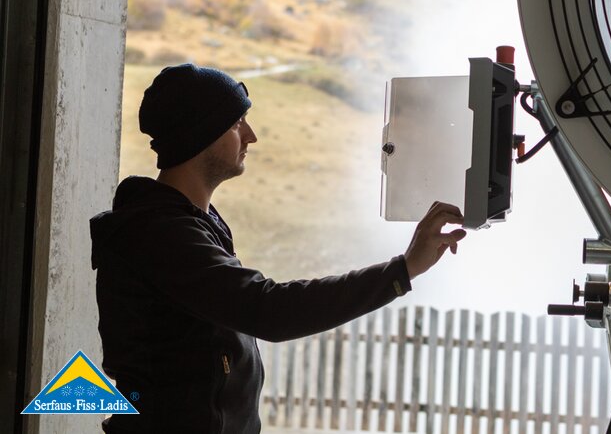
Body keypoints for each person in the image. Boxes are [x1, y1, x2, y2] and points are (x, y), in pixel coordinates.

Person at [89, 64, 467, 434]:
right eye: (236, 124)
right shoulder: (160, 234)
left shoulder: (191, 223)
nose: (251, 136)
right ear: (200, 134)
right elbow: (268, 310)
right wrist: (402, 271)